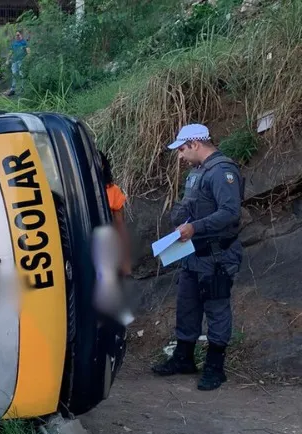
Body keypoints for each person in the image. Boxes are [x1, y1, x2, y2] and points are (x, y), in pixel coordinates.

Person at [152, 123, 244, 391]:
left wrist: (195, 227)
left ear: (194, 144)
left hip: (216, 256)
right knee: (187, 305)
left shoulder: (223, 171)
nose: (180, 156)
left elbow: (230, 212)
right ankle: (183, 358)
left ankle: (215, 367)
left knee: (216, 309)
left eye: (182, 149)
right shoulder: (197, 172)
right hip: (192, 253)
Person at [100, 151, 132, 277]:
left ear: (102, 166)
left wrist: (126, 262)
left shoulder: (113, 191)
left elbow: (120, 227)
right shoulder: (78, 190)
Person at [7, 31, 30, 96]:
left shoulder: (24, 43)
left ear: (21, 35)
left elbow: (28, 52)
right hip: (14, 61)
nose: (17, 36)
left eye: (18, 35)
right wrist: (7, 60)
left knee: (21, 74)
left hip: (21, 61)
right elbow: (10, 52)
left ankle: (22, 89)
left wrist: (27, 59)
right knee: (14, 75)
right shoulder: (13, 43)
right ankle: (12, 90)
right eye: (16, 35)